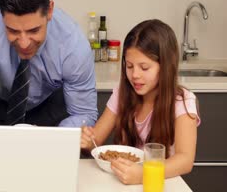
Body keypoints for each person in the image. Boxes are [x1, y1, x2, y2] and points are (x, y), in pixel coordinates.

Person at [81, 19, 200, 185]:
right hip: (121, 182)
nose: (135, 75)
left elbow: (185, 160)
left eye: (144, 67)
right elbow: (96, 141)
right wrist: (86, 140)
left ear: (165, 66)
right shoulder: (122, 93)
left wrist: (144, 173)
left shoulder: (182, 101)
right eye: (129, 66)